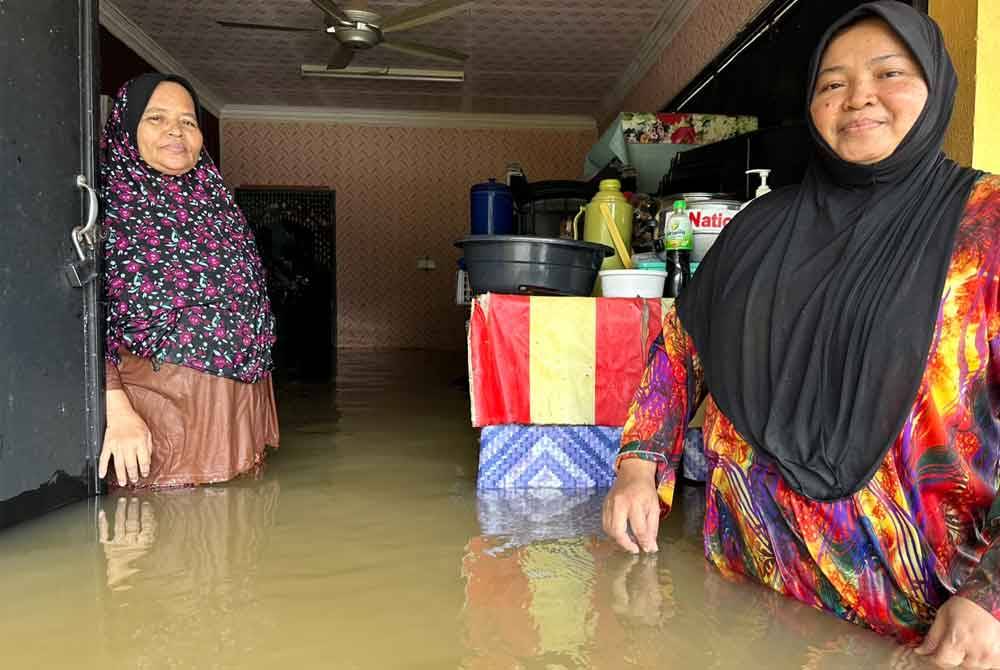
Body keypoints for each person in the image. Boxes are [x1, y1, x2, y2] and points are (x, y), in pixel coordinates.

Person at [602, 2, 1000, 666]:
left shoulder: (986, 227)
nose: (857, 98)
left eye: (888, 72)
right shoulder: (759, 228)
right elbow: (681, 350)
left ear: (935, 86)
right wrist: (639, 467)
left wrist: (990, 598)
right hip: (742, 604)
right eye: (831, 82)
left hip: (925, 630)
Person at [98, 74, 279, 489]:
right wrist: (115, 407)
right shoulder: (105, 206)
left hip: (237, 419)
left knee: (238, 534)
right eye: (157, 118)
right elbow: (78, 314)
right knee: (167, 539)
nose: (175, 131)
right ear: (126, 128)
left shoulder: (214, 201)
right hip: (161, 426)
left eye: (188, 122)